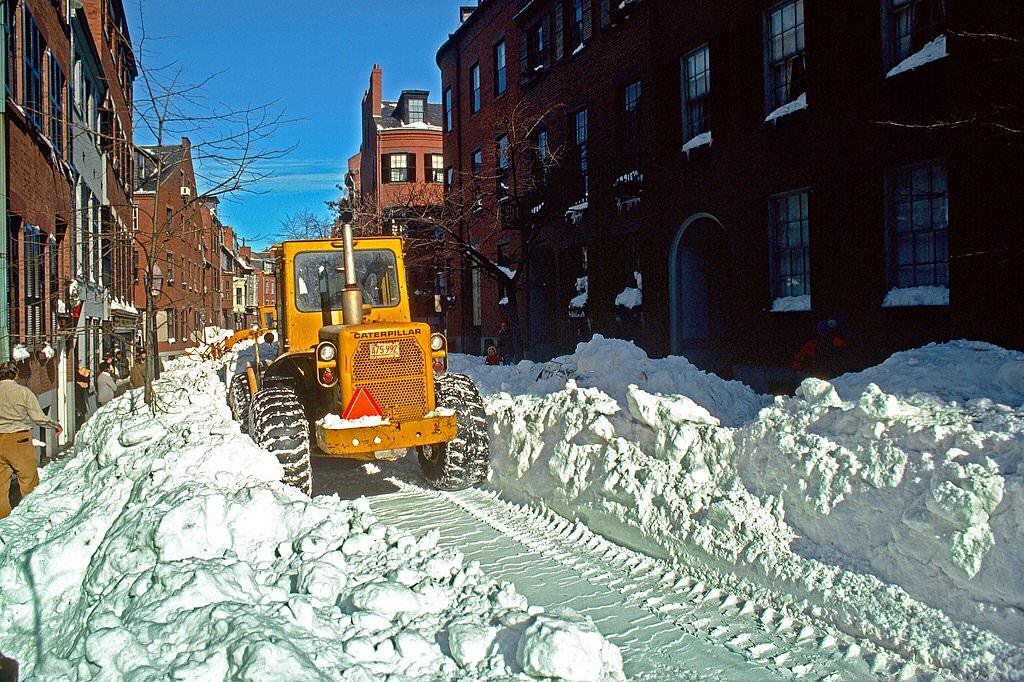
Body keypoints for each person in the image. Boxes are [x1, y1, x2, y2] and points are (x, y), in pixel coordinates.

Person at [0, 361, 62, 519]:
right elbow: (38, 417)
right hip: (19, 440)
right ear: (16, 374)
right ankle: (31, 518)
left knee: (0, 487)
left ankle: (3, 521)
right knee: (28, 481)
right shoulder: (23, 392)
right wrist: (54, 425)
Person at [793, 314, 851, 380]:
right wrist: (797, 368)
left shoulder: (838, 341)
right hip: (819, 375)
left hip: (835, 376)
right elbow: (801, 356)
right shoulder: (813, 343)